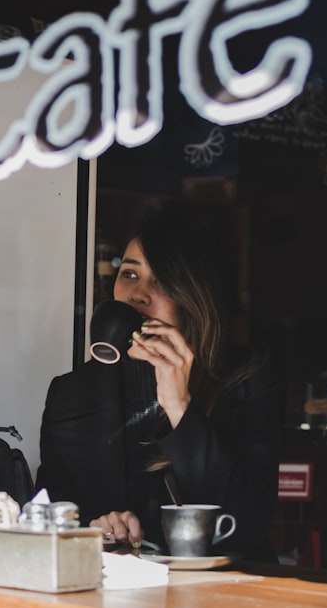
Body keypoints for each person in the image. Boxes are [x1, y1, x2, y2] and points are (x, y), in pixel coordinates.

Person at [35, 210, 283, 561]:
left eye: (162, 282)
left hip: (216, 593)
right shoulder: (71, 393)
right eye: (130, 274)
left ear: (193, 299)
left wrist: (180, 408)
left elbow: (246, 526)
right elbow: (49, 514)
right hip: (111, 594)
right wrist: (96, 525)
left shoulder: (245, 381)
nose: (138, 295)